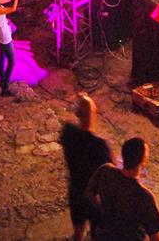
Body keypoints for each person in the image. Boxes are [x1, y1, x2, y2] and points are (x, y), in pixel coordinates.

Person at [85, 137, 159, 241]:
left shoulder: (105, 171)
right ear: (144, 160)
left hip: (103, 235)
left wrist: (104, 209)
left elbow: (89, 193)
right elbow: (156, 237)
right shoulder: (144, 197)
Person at [60, 93, 113, 241]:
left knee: (78, 231)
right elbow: (109, 172)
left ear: (77, 113)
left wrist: (79, 102)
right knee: (97, 233)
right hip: (93, 197)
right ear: (94, 114)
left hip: (76, 190)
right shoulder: (100, 145)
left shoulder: (68, 132)